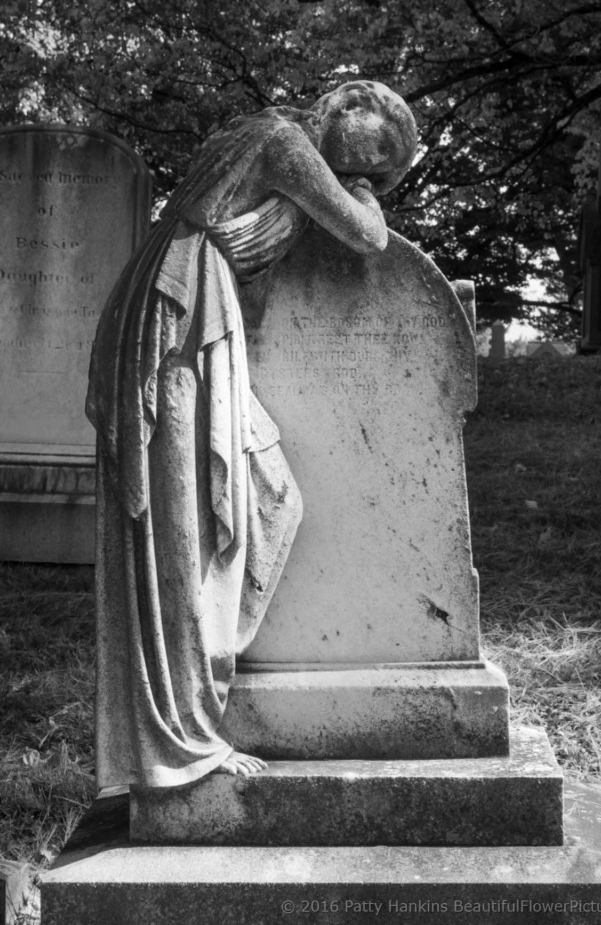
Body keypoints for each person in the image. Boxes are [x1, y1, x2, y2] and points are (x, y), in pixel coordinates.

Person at [86, 80, 418, 788]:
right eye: (362, 155)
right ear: (337, 112)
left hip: (186, 305)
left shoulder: (253, 141)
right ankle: (182, 741)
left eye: (378, 167)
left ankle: (195, 700)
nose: (362, 170)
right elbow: (368, 235)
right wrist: (364, 196)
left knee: (264, 498)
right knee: (181, 520)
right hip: (180, 317)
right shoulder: (280, 141)